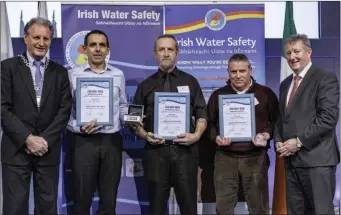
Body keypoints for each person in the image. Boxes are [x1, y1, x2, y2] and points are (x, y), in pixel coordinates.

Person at [1, 17, 72, 215]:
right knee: (14, 208)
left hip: (47, 150)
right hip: (15, 149)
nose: (41, 43)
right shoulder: (7, 68)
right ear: (25, 38)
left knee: (48, 208)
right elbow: (2, 108)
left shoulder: (59, 72)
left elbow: (64, 109)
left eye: (46, 38)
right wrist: (27, 138)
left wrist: (44, 141)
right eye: (36, 37)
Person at [131, 34, 207, 215]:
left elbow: (202, 114)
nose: (166, 53)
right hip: (156, 154)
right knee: (156, 208)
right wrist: (144, 134)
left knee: (189, 207)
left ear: (177, 53)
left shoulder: (190, 81)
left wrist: (196, 136)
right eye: (161, 49)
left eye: (170, 49)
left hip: (185, 153)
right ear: (155, 54)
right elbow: (132, 121)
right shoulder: (144, 85)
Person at [274, 34, 339, 215]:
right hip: (292, 162)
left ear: (309, 52)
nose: (292, 57)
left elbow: (328, 118)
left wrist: (299, 142)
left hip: (317, 161)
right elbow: (281, 118)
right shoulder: (285, 84)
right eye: (288, 53)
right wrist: (278, 140)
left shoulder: (325, 78)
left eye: (297, 51)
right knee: (296, 211)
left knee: (320, 211)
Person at [206, 53, 279, 215]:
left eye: (242, 71)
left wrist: (266, 134)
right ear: (228, 72)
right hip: (225, 158)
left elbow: (277, 122)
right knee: (224, 208)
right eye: (233, 72)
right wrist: (216, 136)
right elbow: (208, 124)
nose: (238, 75)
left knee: (258, 208)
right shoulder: (218, 95)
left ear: (250, 70)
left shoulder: (265, 94)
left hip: (255, 157)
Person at [66, 29, 128, 215]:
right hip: (83, 141)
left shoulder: (118, 74)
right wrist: (78, 126)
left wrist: (132, 121)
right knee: (81, 199)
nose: (98, 49)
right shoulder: (71, 75)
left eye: (102, 45)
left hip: (111, 141)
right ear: (84, 49)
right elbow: (65, 112)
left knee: (109, 200)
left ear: (108, 50)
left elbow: (123, 105)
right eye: (93, 45)